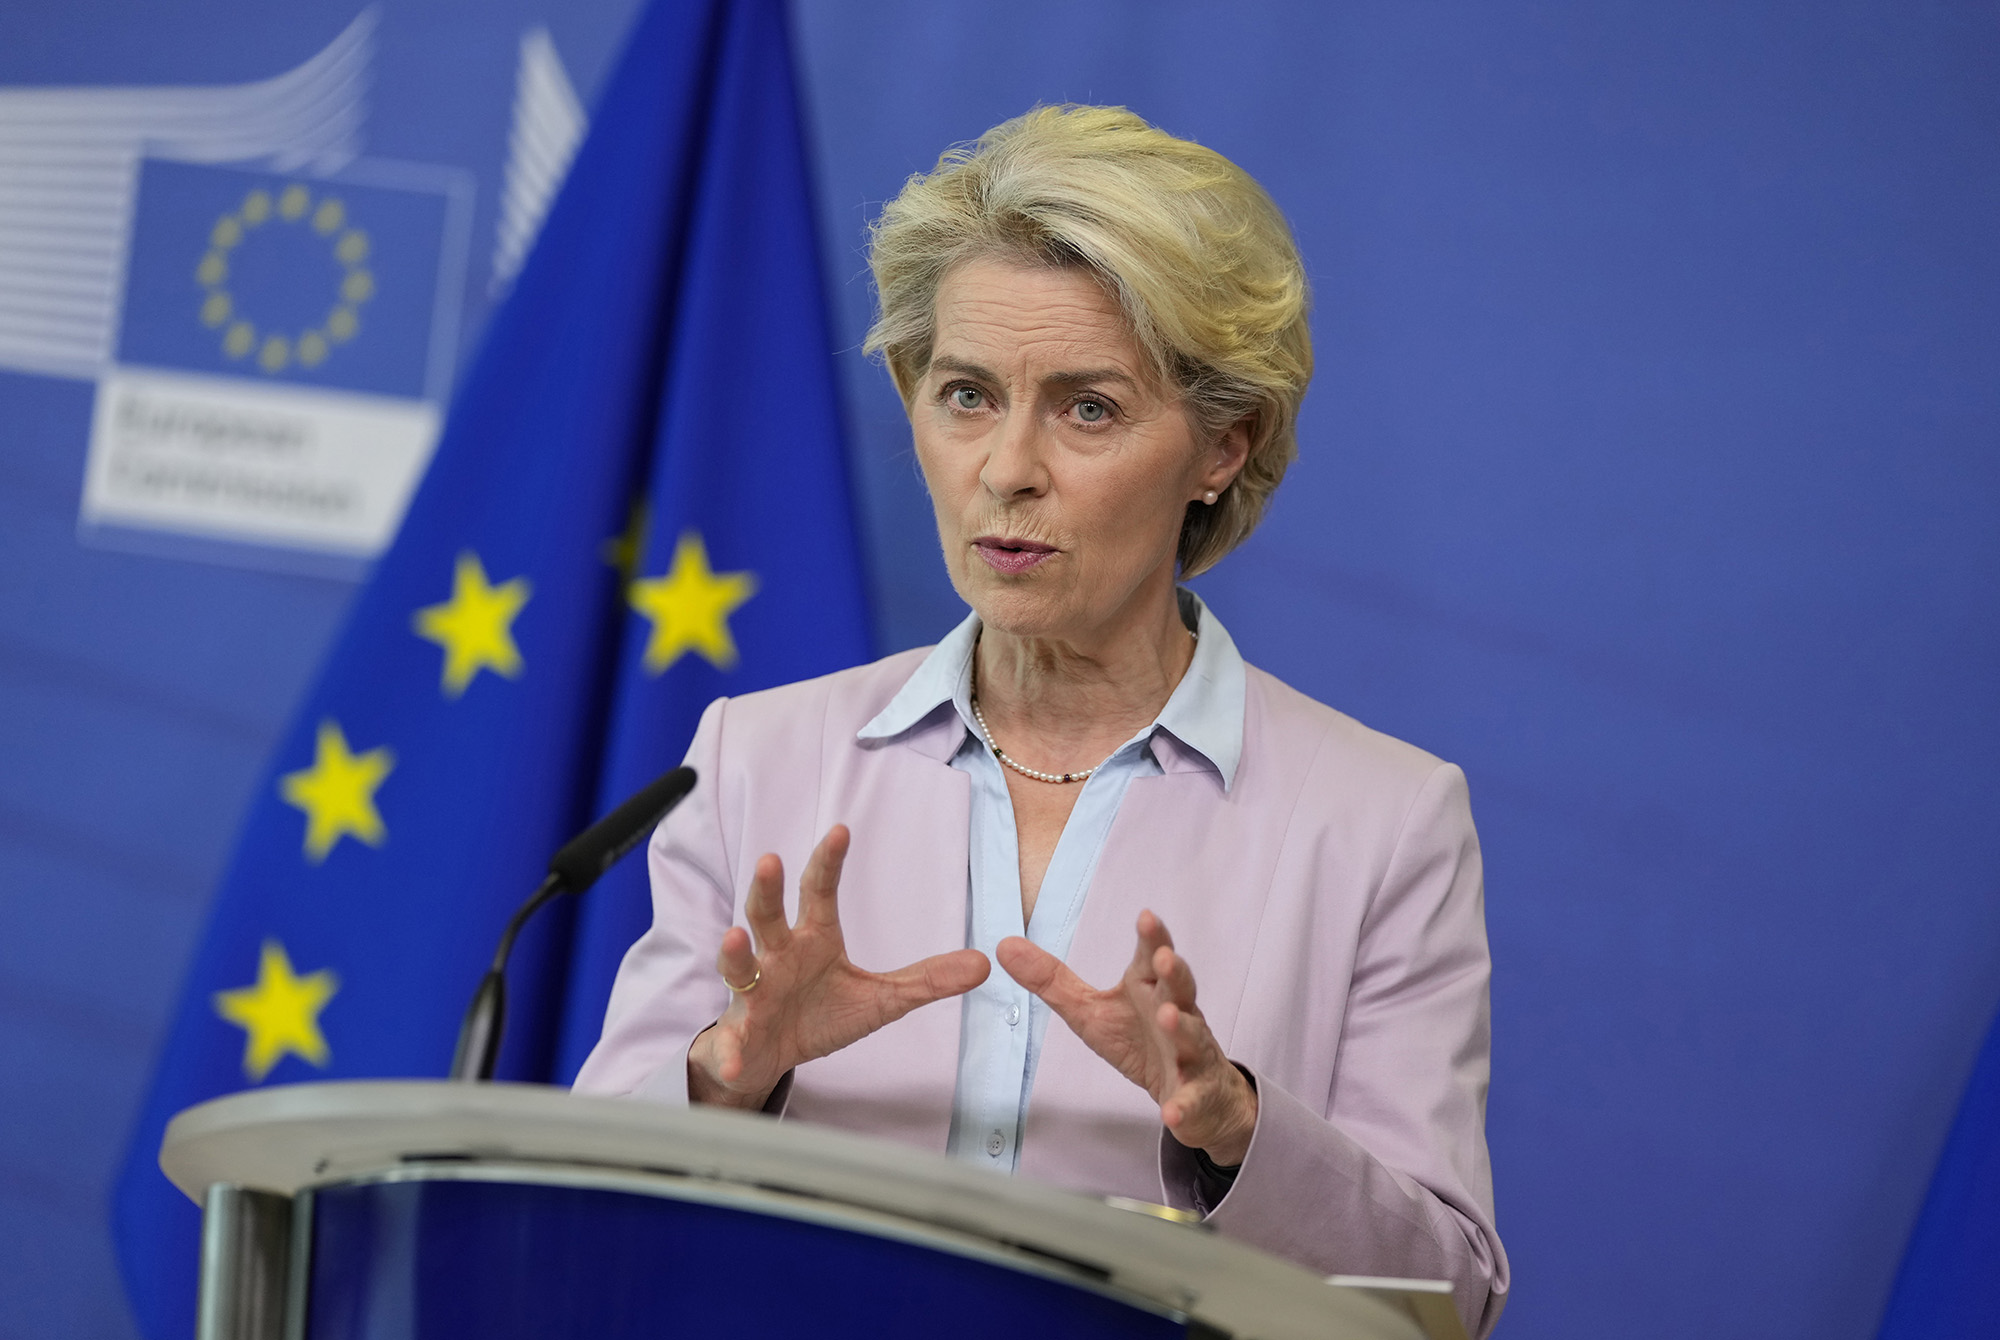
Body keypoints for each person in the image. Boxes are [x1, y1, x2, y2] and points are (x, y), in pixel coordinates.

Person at [574, 104, 1508, 1336]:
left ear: (1222, 445)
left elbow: (1445, 1294)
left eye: (1086, 408)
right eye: (964, 394)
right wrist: (724, 1076)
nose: (1006, 467)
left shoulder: (1381, 819)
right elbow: (582, 1199)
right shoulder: (757, 758)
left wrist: (1235, 1128)